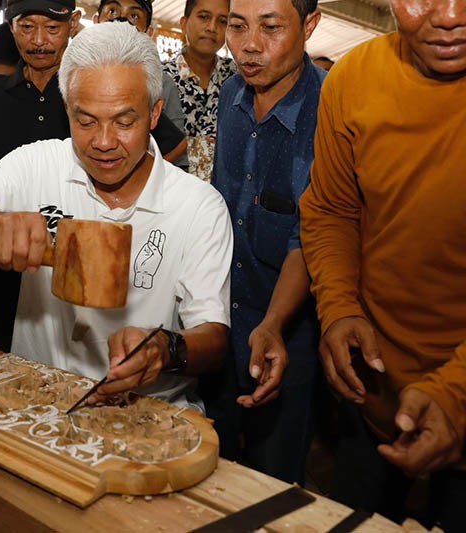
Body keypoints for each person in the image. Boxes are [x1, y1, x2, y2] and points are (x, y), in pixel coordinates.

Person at [0, 21, 232, 407]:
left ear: (154, 112)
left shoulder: (198, 206)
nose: (103, 142)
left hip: (147, 413)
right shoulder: (36, 164)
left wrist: (165, 349)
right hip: (35, 402)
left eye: (124, 122)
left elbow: (213, 338)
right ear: (67, 109)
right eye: (85, 120)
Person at [299, 0, 466, 528]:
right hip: (373, 393)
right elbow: (331, 209)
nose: (450, 14)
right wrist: (339, 307)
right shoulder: (353, 78)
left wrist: (455, 394)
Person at [0, 0, 188, 353]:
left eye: (52, 28)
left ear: (72, 25)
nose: (39, 40)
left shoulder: (97, 90)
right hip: (7, 270)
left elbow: (170, 143)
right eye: (27, 27)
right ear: (12, 29)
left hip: (89, 273)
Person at [208, 0, 323, 485]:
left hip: (286, 340)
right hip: (219, 327)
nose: (249, 46)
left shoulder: (332, 110)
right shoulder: (231, 94)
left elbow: (312, 234)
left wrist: (274, 323)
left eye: (271, 27)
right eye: (237, 26)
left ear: (310, 25)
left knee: (269, 488)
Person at [93, 0, 190, 171]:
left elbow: (177, 146)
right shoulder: (77, 73)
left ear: (148, 33)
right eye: (112, 12)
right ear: (96, 21)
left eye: (134, 16)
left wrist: (137, 176)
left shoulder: (158, 82)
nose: (121, 21)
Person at [163, 0, 237, 181]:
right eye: (204, 17)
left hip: (226, 194)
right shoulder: (161, 78)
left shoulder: (238, 78)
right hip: (171, 190)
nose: (212, 27)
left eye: (222, 21)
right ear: (184, 23)